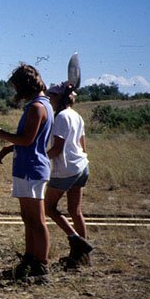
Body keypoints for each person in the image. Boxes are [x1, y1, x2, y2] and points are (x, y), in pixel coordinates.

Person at [0, 64, 53, 281]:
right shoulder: (40, 105)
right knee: (28, 218)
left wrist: (1, 134)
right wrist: (8, 149)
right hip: (26, 167)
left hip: (32, 169)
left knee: (37, 220)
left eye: (17, 87)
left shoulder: (37, 107)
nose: (16, 92)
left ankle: (41, 266)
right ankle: (29, 259)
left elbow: (27, 139)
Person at [45, 81, 93, 267]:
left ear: (59, 98)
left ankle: (77, 242)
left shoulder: (62, 117)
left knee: (48, 208)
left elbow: (57, 149)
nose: (50, 99)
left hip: (65, 170)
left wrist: (40, 158)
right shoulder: (76, 116)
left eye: (52, 96)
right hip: (81, 167)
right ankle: (83, 258)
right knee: (75, 211)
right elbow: (83, 145)